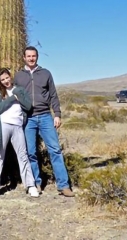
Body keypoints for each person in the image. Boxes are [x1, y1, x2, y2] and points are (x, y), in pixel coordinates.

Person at [14, 46, 75, 197]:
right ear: (24, 58)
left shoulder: (46, 73)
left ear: (37, 57)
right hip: (28, 118)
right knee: (31, 152)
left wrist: (57, 114)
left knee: (54, 149)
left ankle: (63, 185)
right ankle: (36, 183)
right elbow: (14, 96)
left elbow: (53, 95)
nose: (31, 58)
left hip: (46, 116)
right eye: (28, 56)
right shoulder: (19, 76)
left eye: (33, 56)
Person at [0, 67, 39, 199]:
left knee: (23, 155)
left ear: (10, 76)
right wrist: (12, 98)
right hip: (3, 125)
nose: (6, 81)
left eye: (7, 77)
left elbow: (28, 106)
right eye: (2, 79)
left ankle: (31, 185)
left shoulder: (20, 90)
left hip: (17, 126)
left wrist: (17, 94)